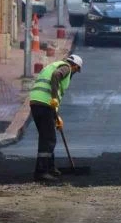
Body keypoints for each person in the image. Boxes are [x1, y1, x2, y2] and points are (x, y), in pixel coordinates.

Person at [29, 54, 83, 182]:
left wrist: (56, 117)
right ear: (75, 66)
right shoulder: (66, 67)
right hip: (45, 103)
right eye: (76, 70)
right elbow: (56, 76)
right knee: (48, 138)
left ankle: (50, 168)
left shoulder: (53, 65)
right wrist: (53, 97)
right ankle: (41, 172)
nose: (74, 72)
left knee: (46, 136)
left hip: (36, 103)